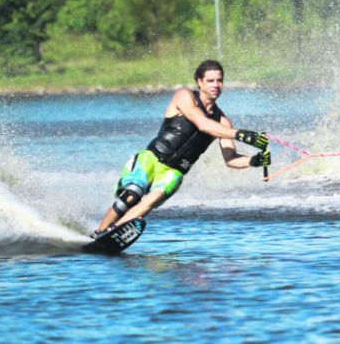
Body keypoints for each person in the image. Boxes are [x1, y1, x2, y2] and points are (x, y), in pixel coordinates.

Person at [91, 59, 271, 238]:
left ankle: (111, 235)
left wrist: (254, 161)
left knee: (151, 200)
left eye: (219, 80)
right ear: (200, 82)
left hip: (174, 172)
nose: (216, 85)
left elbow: (231, 158)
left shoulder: (223, 122)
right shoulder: (184, 96)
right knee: (131, 196)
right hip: (151, 159)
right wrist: (240, 134)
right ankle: (99, 232)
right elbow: (201, 123)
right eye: (210, 80)